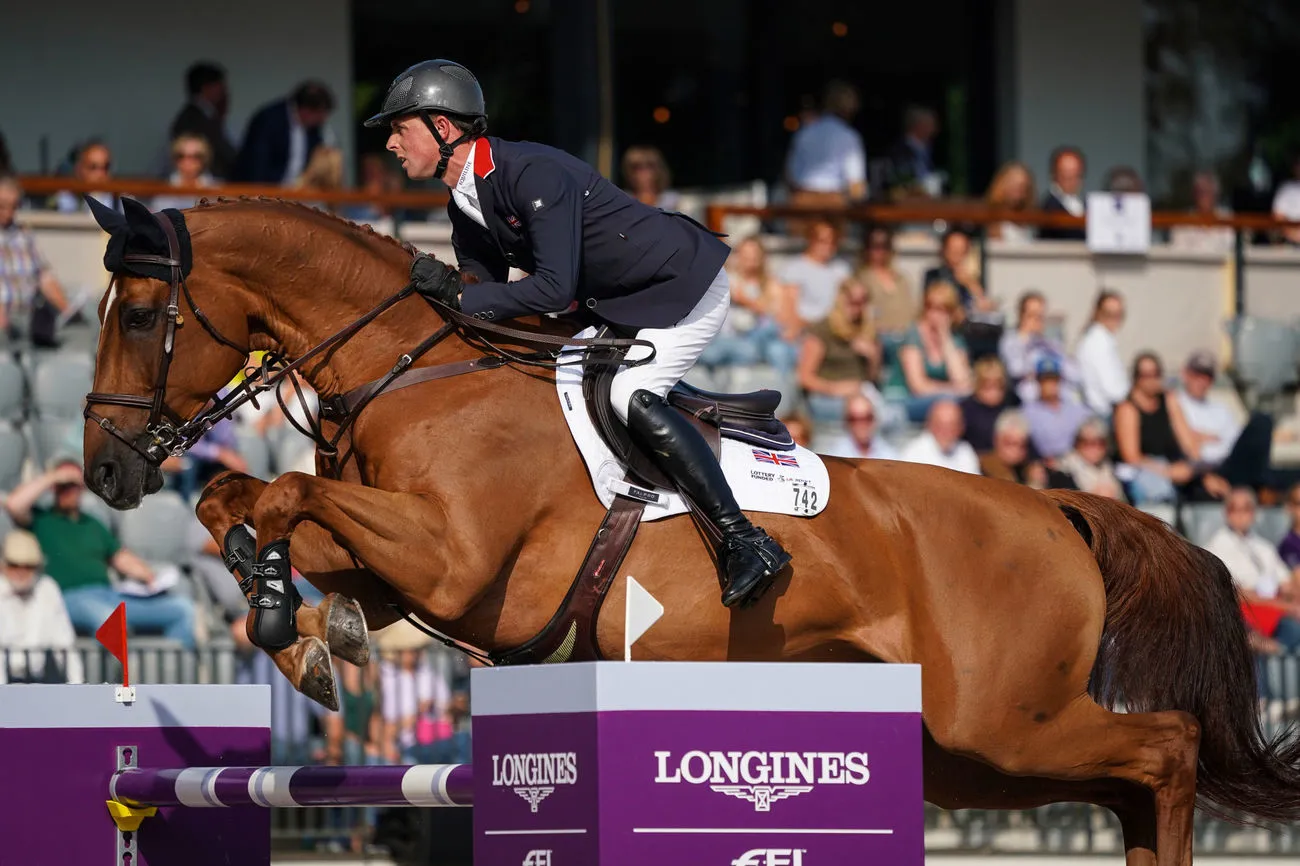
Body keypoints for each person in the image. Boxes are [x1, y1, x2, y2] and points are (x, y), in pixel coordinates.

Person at [367, 59, 789, 608]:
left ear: (442, 127)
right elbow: (479, 295)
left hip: (681, 287)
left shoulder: (532, 173)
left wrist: (460, 295)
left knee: (628, 393)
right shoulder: (464, 201)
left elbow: (548, 289)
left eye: (400, 129)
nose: (391, 144)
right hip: (617, 299)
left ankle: (745, 540)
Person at [4, 458, 196, 648]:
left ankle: (172, 668)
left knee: (183, 610)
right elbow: (14, 504)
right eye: (63, 485)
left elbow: (120, 557)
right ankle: (114, 670)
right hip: (67, 598)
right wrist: (54, 476)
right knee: (109, 620)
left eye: (74, 485)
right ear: (54, 488)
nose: (69, 490)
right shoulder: (41, 519)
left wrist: (149, 577)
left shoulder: (93, 523)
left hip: (109, 594)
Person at [0, 529, 83, 684]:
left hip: (38, 679)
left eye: (28, 566)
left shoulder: (47, 589)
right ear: (3, 566)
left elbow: (65, 644)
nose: (21, 572)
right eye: (14, 565)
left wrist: (78, 687)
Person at [235, 80, 337, 185]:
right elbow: (257, 164)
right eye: (320, 115)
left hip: (299, 191)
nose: (322, 121)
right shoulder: (270, 120)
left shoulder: (314, 130)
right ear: (306, 111)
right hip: (268, 190)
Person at [1075, 289, 1129, 417]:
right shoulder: (1098, 342)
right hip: (1104, 413)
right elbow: (1113, 389)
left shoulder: (1103, 339)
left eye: (1118, 314)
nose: (1114, 319)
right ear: (1097, 313)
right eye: (1108, 314)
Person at [899, 399, 980, 475]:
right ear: (929, 425)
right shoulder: (913, 453)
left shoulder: (965, 450)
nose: (946, 431)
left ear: (961, 427)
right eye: (940, 425)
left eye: (952, 425)